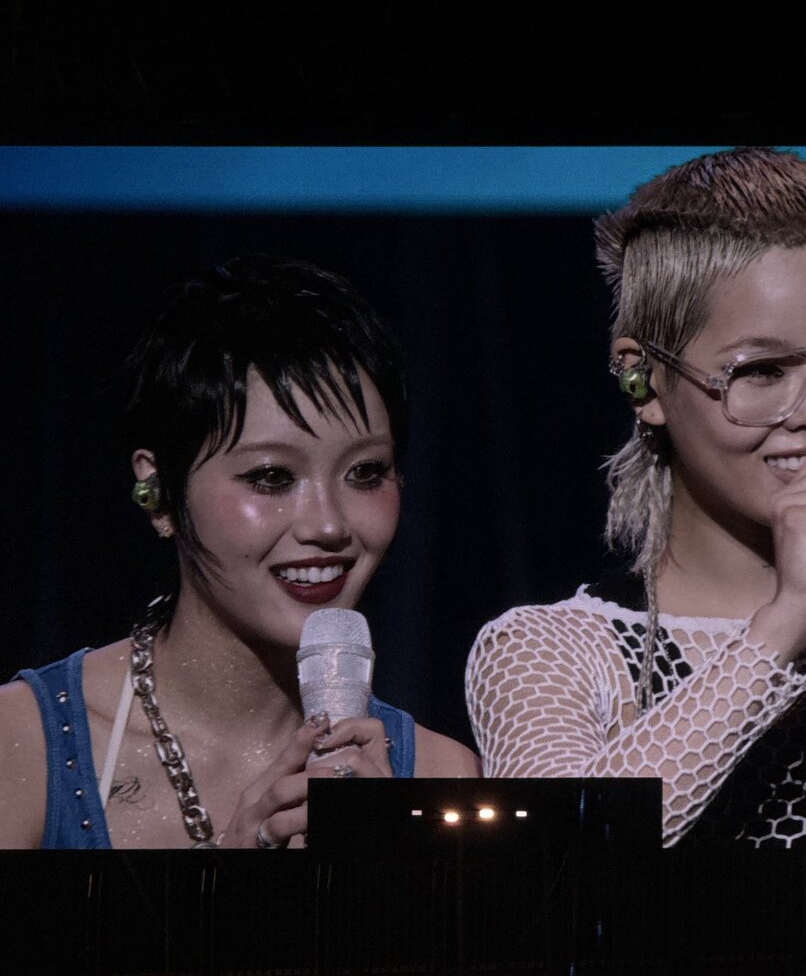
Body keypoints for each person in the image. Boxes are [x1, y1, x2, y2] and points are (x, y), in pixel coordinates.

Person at [466, 148, 806, 849]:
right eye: (760, 371)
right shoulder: (549, 653)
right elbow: (556, 866)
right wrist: (787, 620)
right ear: (643, 380)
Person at [0, 253, 479, 849]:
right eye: (272, 477)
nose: (329, 524)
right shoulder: (22, 748)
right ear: (160, 492)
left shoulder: (440, 774)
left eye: (365, 472)